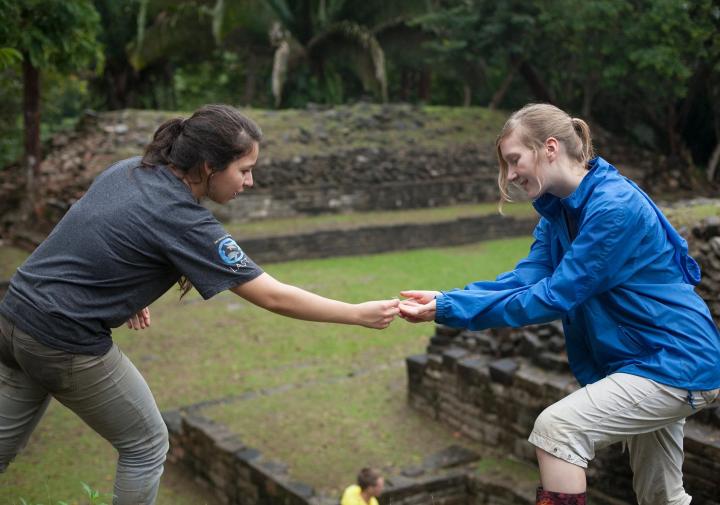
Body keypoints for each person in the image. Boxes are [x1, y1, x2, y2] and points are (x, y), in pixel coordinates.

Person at [0, 104, 400, 505]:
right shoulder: (184, 219)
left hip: (13, 314)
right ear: (209, 166)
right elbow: (273, 295)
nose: (251, 181)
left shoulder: (128, 170)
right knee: (146, 444)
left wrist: (122, 291)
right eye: (243, 170)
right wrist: (357, 313)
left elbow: (94, 232)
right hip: (61, 339)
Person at [398, 103, 720, 505]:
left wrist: (450, 311)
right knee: (660, 497)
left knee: (557, 431)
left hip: (675, 359)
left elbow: (556, 295)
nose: (511, 175)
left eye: (514, 160)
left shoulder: (613, 208)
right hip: (643, 361)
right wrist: (447, 300)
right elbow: (526, 279)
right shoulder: (558, 215)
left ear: (549, 147)